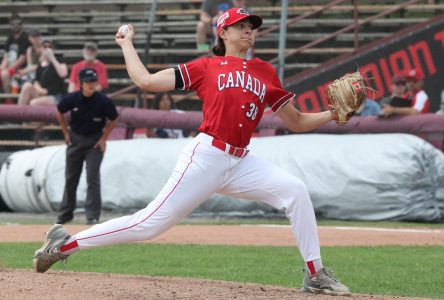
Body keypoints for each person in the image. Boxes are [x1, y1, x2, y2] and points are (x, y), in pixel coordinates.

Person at [33, 8, 351, 296]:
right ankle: (65, 244)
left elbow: (295, 121)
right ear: (222, 33)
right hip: (206, 156)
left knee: (295, 191)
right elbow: (145, 81)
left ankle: (315, 274)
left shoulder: (265, 72)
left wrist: (331, 115)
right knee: (150, 224)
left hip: (241, 161)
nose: (249, 30)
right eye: (241, 25)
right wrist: (126, 44)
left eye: (252, 26)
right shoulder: (206, 66)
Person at [53, 67, 118, 225]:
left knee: (92, 178)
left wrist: (103, 139)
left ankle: (93, 216)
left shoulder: (103, 101)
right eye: (88, 82)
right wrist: (65, 132)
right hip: (75, 140)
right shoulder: (72, 98)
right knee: (71, 178)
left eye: (94, 81)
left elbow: (114, 118)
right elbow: (59, 111)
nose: (91, 84)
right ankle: (65, 214)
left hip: (94, 143)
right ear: (80, 83)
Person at [17, 38, 68, 106]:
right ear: (41, 49)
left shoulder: (59, 60)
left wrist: (52, 58)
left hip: (56, 96)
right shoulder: (40, 65)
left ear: (53, 49)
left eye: (50, 47)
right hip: (44, 94)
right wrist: (40, 89)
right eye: (45, 47)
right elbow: (36, 81)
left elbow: (63, 74)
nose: (47, 49)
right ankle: (19, 113)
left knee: (34, 103)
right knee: (26, 86)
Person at [0, 14, 30, 95]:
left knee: (4, 74)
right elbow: (6, 56)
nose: (15, 26)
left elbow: (23, 58)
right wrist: (2, 67)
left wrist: (8, 69)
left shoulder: (25, 38)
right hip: (10, 66)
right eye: (13, 24)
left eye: (18, 24)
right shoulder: (10, 38)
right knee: (2, 71)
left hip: (20, 68)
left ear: (21, 24)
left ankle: (9, 99)